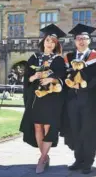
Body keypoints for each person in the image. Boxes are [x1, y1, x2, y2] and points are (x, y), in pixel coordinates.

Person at [20, 24, 66, 174]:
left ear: (56, 44)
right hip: (36, 98)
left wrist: (51, 80)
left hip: (52, 98)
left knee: (48, 127)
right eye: (47, 40)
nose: (49, 43)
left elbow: (62, 77)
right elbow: (27, 78)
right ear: (43, 41)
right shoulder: (34, 58)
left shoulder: (59, 59)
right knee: (37, 126)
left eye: (53, 41)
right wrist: (34, 76)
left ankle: (42, 159)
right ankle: (44, 157)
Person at [61, 23, 96, 174]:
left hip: (89, 100)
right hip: (72, 100)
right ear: (74, 41)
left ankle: (88, 162)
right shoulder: (69, 57)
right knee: (75, 129)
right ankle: (78, 159)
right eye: (78, 38)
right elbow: (64, 76)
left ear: (89, 41)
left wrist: (84, 86)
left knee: (88, 130)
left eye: (84, 38)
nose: (81, 41)